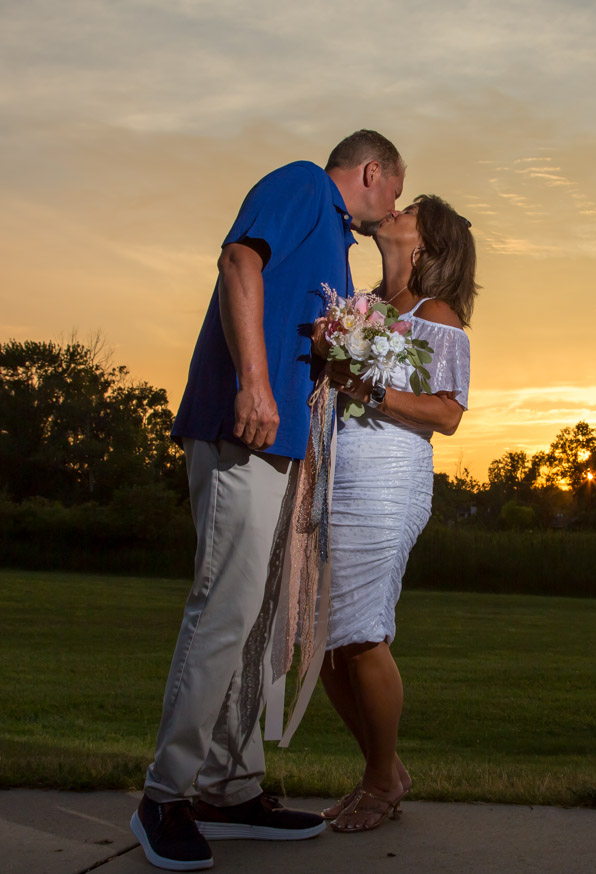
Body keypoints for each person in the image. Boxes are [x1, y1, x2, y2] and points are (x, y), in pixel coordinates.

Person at [130, 130, 406, 872]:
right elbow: (239, 261)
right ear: (372, 172)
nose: (394, 208)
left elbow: (297, 326)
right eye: (395, 192)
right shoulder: (302, 186)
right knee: (225, 608)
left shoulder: (337, 242)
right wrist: (255, 379)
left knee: (262, 619)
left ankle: (230, 786)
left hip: (284, 444)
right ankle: (165, 794)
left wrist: (330, 351)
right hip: (243, 427)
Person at [313, 194, 478, 833]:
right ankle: (386, 769)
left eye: (409, 210)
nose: (395, 210)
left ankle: (381, 782)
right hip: (335, 474)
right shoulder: (364, 308)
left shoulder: (437, 316)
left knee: (361, 634)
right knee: (328, 647)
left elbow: (449, 413)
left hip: (386, 481)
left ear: (426, 243)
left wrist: (370, 387)